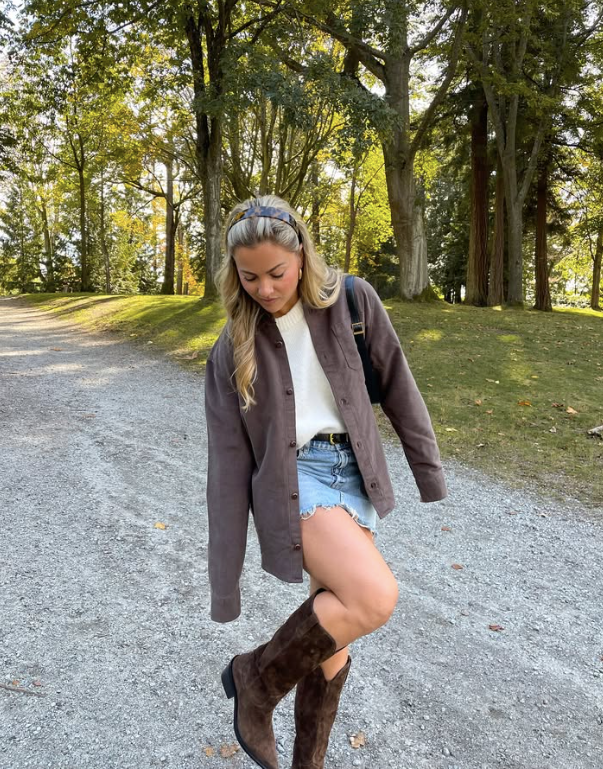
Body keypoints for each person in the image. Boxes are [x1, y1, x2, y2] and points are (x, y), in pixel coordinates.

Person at [204, 194, 447, 769]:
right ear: (235, 275)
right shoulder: (231, 348)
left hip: (354, 475)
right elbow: (226, 469)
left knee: (334, 625)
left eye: (277, 272)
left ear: (303, 256)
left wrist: (427, 471)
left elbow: (399, 386)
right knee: (372, 597)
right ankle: (255, 679)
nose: (265, 288)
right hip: (294, 480)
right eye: (250, 277)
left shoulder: (354, 301)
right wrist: (225, 584)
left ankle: (306, 761)